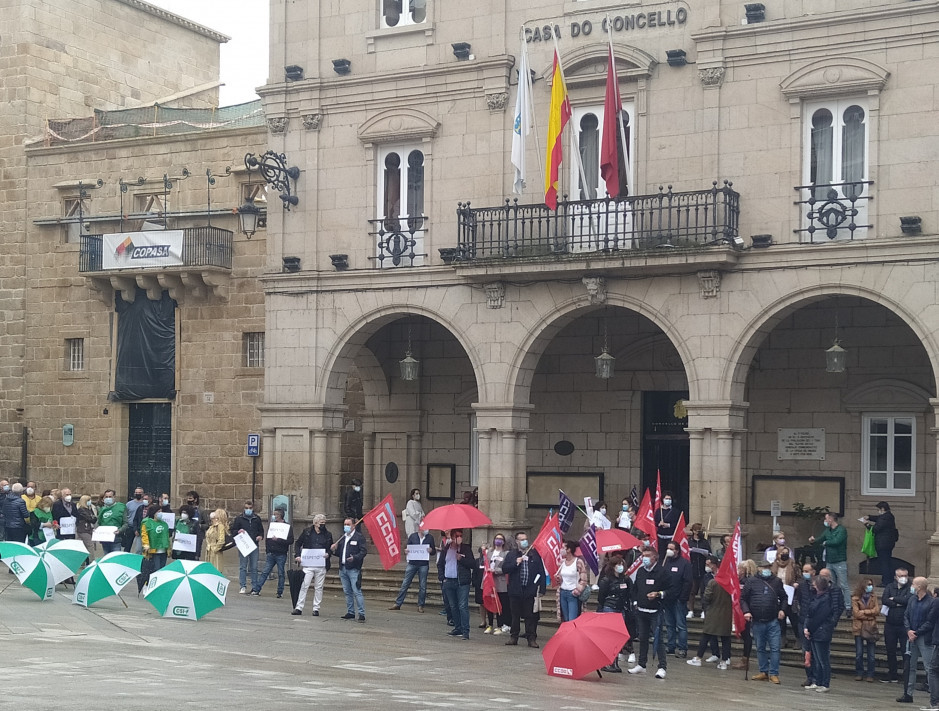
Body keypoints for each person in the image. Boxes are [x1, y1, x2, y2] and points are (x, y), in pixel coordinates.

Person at [740, 558, 786, 684]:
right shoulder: (752, 581)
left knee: (775, 648)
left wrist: (782, 610)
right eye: (763, 567)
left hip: (772, 620)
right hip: (757, 620)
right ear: (759, 568)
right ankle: (763, 671)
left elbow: (784, 597)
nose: (766, 570)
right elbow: (743, 598)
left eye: (768, 567)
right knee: (760, 647)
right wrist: (746, 611)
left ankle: (774, 673)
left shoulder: (776, 581)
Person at [628, 547, 670, 678]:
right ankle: (642, 664)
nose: (644, 558)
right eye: (643, 555)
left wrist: (659, 594)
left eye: (647, 555)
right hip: (641, 610)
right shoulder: (641, 571)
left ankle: (662, 666)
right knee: (642, 638)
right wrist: (635, 602)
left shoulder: (662, 572)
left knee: (658, 640)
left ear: (654, 558)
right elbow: (635, 589)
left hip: (656, 610)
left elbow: (671, 590)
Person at [687, 555, 733, 670]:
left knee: (706, 635)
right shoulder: (730, 583)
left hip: (713, 612)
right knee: (725, 638)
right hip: (726, 613)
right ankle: (724, 661)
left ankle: (698, 658)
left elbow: (706, 597)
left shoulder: (713, 582)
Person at [502, 531, 546, 648]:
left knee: (530, 616)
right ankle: (513, 637)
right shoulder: (512, 555)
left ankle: (531, 638)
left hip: (530, 590)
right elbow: (505, 569)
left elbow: (540, 571)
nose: (524, 541)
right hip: (515, 590)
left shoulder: (534, 554)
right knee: (515, 615)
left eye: (525, 539)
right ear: (517, 542)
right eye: (522, 539)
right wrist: (515, 563)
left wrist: (542, 588)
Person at [898, 576, 935, 704]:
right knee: (910, 666)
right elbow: (906, 615)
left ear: (919, 587)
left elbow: (930, 621)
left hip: (924, 637)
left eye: (913, 584)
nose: (911, 586)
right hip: (911, 636)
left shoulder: (931, 602)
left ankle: (934, 695)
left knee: (929, 667)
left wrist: (917, 633)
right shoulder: (912, 600)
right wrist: (908, 630)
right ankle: (908, 694)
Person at [808, 512, 851, 618]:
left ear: (831, 519)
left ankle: (848, 607)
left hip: (839, 561)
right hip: (829, 561)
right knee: (830, 584)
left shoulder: (841, 530)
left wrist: (825, 543)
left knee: (843, 585)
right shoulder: (827, 530)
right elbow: (821, 538)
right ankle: (832, 604)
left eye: (826, 518)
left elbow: (837, 541)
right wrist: (813, 541)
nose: (825, 521)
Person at [804, 575, 840, 692]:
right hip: (816, 631)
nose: (813, 586)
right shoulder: (817, 597)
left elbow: (819, 617)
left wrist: (809, 629)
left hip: (821, 631)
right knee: (818, 660)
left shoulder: (826, 599)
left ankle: (825, 683)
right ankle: (818, 681)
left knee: (823, 659)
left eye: (815, 585)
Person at [293, 514, 334, 616]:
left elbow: (330, 548)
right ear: (315, 523)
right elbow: (298, 543)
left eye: (324, 523)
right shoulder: (307, 532)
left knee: (319, 587)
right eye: (321, 523)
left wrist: (328, 553)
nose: (323, 525)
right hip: (308, 563)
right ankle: (299, 607)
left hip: (321, 564)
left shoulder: (328, 534)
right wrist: (298, 555)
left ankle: (316, 608)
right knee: (304, 585)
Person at [438, 527, 475, 640]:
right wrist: (442, 577)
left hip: (461, 582)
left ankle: (465, 630)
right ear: (452, 537)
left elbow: (472, 564)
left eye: (460, 536)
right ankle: (457, 627)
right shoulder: (447, 548)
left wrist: (461, 559)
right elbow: (440, 564)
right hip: (449, 581)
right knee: (453, 606)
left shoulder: (466, 549)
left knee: (462, 606)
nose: (458, 538)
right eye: (456, 536)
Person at [597, 554, 632, 673]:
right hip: (609, 608)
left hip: (621, 608)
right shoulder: (606, 580)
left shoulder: (625, 579)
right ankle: (607, 662)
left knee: (618, 636)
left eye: (622, 564)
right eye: (618, 564)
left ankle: (615, 661)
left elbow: (629, 593)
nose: (620, 566)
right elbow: (601, 597)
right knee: (609, 637)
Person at [390, 523, 435, 612]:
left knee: (423, 585)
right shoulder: (413, 536)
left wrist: (431, 550)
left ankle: (420, 605)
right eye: (424, 528)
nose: (426, 529)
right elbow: (406, 548)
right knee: (405, 583)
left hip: (423, 564)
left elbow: (433, 551)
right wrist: (406, 551)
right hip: (412, 563)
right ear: (419, 528)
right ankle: (398, 603)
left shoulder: (430, 538)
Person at [331, 517, 367, 622]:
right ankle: (350, 611)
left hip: (353, 568)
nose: (346, 526)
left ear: (353, 525)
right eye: (345, 524)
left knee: (357, 591)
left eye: (348, 524)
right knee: (347, 591)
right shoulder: (342, 537)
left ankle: (361, 613)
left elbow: (363, 551)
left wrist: (354, 558)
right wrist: (334, 549)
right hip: (343, 568)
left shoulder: (359, 537)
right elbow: (340, 553)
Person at [251, 508, 293, 598]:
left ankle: (279, 592)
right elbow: (268, 538)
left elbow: (290, 540)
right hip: (271, 552)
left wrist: (278, 540)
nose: (274, 516)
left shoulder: (287, 527)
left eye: (276, 514)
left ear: (280, 515)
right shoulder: (272, 525)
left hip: (281, 553)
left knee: (281, 573)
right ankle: (257, 590)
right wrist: (268, 550)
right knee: (265, 571)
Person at [882, 567, 912, 684]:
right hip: (890, 624)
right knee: (890, 650)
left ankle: (907, 676)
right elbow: (884, 599)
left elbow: (908, 600)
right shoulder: (890, 586)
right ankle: (892, 675)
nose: (904, 578)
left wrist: (894, 599)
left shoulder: (910, 587)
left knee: (906, 651)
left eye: (905, 575)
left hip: (904, 625)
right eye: (901, 576)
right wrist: (899, 603)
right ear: (896, 577)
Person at [662, 540, 692, 658]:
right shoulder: (665, 563)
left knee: (681, 625)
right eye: (668, 548)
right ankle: (671, 646)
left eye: (672, 549)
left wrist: (683, 597)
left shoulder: (684, 563)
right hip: (667, 598)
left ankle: (682, 648)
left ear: (677, 551)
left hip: (679, 599)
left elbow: (688, 582)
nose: (669, 551)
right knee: (669, 625)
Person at [230, 501, 263, 594]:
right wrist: (238, 531)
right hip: (243, 545)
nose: (248, 510)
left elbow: (261, 530)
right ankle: (243, 586)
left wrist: (260, 536)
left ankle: (254, 587)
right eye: (247, 508)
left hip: (254, 545)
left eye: (250, 508)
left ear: (253, 508)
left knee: (254, 567)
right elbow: (233, 531)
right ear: (244, 508)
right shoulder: (239, 519)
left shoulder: (257, 519)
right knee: (243, 566)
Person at [794, 562, 818, 687]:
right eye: (804, 571)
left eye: (807, 571)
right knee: (806, 651)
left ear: (813, 572)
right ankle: (809, 676)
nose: (805, 573)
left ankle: (817, 677)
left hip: (815, 622)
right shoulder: (802, 585)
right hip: (803, 620)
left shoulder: (818, 585)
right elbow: (798, 600)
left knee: (816, 651)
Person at [864, 501, 898, 588]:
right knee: (887, 561)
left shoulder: (885, 518)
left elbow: (875, 529)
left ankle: (886, 581)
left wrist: (867, 524)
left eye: (878, 509)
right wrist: (869, 517)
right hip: (888, 543)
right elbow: (878, 518)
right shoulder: (889, 516)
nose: (878, 511)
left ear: (882, 509)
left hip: (883, 544)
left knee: (884, 562)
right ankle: (889, 580)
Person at [771, 545, 800, 647]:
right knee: (781, 618)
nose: (784, 555)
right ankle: (783, 639)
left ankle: (798, 639)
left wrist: (796, 584)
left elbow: (799, 577)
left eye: (786, 553)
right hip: (778, 594)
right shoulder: (774, 565)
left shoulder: (793, 565)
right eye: (782, 553)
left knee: (793, 618)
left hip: (791, 593)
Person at [851, 577, 879, 681]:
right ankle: (859, 672)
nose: (870, 587)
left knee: (871, 654)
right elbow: (856, 613)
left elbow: (877, 610)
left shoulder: (874, 597)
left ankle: (870, 674)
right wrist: (869, 613)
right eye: (868, 585)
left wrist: (864, 612)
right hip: (859, 627)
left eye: (871, 584)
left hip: (871, 628)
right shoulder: (855, 598)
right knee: (859, 653)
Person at [555, 540, 588, 622]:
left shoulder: (578, 562)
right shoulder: (562, 563)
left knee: (572, 619)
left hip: (573, 593)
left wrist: (577, 591)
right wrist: (558, 578)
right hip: (563, 592)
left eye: (563, 548)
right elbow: (561, 579)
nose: (561, 550)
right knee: (565, 619)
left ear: (569, 550)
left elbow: (583, 579)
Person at [487, 533, 511, 634]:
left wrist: (495, 570)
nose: (498, 541)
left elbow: (505, 568)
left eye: (500, 539)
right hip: (490, 581)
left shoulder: (506, 553)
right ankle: (490, 624)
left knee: (501, 604)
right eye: (497, 538)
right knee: (490, 602)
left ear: (503, 542)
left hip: (500, 582)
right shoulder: (489, 552)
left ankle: (501, 624)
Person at [687, 522, 711, 618]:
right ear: (693, 531)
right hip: (692, 569)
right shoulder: (689, 541)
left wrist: (706, 554)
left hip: (702, 569)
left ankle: (703, 610)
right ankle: (691, 610)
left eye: (700, 530)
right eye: (697, 530)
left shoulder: (705, 542)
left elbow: (709, 554)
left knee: (703, 591)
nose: (698, 532)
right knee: (692, 591)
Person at [140, 503, 170, 574]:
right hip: (153, 550)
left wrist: (169, 548)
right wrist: (146, 545)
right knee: (156, 569)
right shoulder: (147, 523)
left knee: (162, 569)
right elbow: (144, 535)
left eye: (161, 511)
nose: (160, 513)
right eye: (158, 511)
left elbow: (167, 537)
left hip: (163, 550)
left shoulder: (164, 524)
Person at [96, 489, 126, 555]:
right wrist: (96, 529)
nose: (108, 498)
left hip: (116, 539)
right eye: (106, 497)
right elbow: (99, 522)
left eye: (110, 497)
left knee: (116, 558)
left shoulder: (121, 507)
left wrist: (120, 530)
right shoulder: (102, 509)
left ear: (114, 497)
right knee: (106, 559)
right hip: (105, 539)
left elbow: (126, 523)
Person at [123, 486, 146, 552]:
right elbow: (125, 515)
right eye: (136, 492)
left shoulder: (144, 504)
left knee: (140, 547)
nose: (138, 494)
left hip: (141, 528)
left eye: (139, 493)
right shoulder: (129, 504)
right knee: (127, 546)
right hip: (130, 527)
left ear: (143, 494)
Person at [75, 495, 97, 564]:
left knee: (87, 545)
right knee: (90, 545)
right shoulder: (81, 510)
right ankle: (91, 561)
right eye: (88, 500)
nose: (90, 502)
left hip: (89, 529)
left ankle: (85, 561)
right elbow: (91, 519)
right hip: (84, 529)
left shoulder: (89, 509)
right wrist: (93, 518)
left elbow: (94, 518)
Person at [185, 490, 205, 559]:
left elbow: (207, 524)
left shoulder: (201, 511)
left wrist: (200, 526)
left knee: (196, 556)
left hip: (197, 537)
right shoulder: (185, 509)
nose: (188, 500)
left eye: (190, 498)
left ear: (195, 499)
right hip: (187, 535)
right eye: (187, 498)